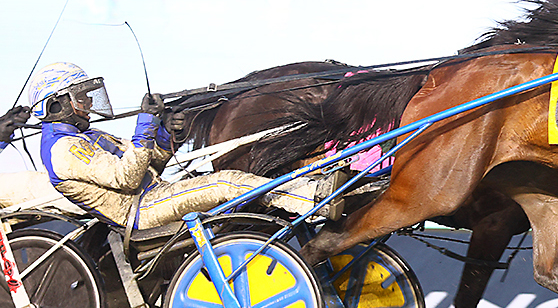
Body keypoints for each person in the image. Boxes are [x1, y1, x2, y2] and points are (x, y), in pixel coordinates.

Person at [26, 62, 342, 230]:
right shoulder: (64, 149)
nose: (88, 103)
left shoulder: (86, 138)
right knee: (227, 182)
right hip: (141, 212)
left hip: (152, 196)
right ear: (55, 105)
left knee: (227, 183)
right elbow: (127, 179)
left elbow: (148, 168)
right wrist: (146, 125)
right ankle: (311, 199)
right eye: (80, 98)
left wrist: (166, 137)